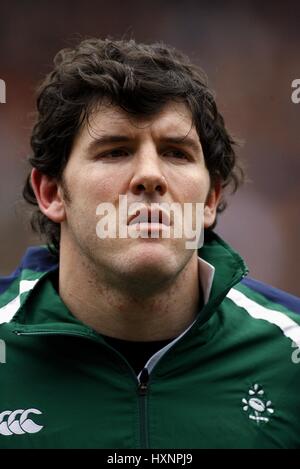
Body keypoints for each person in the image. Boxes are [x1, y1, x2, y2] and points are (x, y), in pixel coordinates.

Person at [1, 38, 300, 450]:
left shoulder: (291, 352)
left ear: (210, 199)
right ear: (52, 192)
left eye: (176, 153)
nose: (149, 175)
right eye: (115, 151)